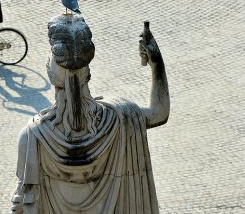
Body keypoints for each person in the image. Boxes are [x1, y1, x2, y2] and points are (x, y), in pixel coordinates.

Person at [10, 14, 170, 214]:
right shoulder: (120, 117)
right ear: (88, 74)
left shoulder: (32, 137)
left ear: (52, 77)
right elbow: (159, 113)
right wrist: (157, 64)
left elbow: (23, 206)